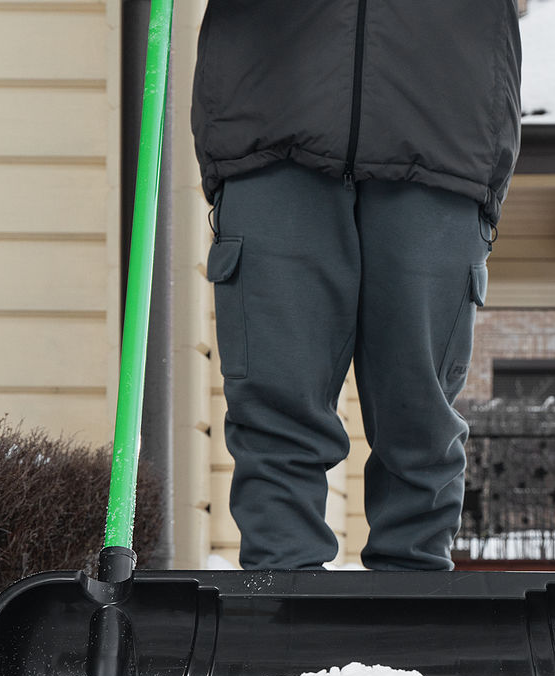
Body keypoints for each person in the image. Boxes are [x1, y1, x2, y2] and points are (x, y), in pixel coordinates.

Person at [191, 1, 522, 570]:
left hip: (444, 127)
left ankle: (414, 604)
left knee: (419, 417)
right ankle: (282, 604)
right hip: (270, 115)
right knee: (276, 410)